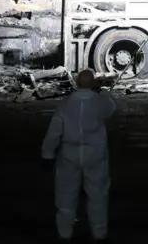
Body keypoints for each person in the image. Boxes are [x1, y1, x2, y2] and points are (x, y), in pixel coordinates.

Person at [41, 69, 117, 243]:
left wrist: (47, 154)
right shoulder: (100, 103)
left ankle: (65, 234)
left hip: (69, 155)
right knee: (97, 196)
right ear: (93, 83)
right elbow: (114, 106)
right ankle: (99, 234)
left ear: (76, 82)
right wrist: (104, 92)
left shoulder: (65, 105)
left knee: (65, 197)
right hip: (95, 155)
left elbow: (54, 132)